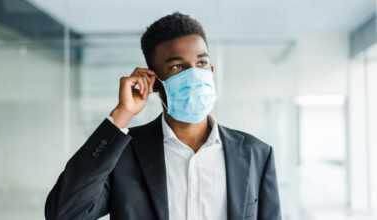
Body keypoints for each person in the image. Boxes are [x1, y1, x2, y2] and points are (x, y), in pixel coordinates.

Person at [45, 12, 281, 220]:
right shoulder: (125, 154)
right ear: (154, 82)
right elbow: (64, 213)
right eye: (178, 67)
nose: (194, 73)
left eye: (201, 62)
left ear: (210, 71)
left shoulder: (256, 153)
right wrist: (122, 115)